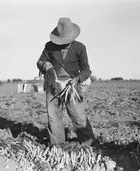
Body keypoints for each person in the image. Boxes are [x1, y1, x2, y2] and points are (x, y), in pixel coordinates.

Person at [37, 17, 94, 146]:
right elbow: (40, 61)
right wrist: (43, 65)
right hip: (53, 85)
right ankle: (58, 146)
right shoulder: (49, 46)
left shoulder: (80, 48)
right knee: (53, 117)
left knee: (78, 116)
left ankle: (90, 146)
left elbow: (86, 70)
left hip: (72, 87)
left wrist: (77, 79)